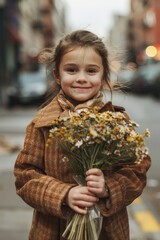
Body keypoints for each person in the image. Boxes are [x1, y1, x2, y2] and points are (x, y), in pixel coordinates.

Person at [14, 30, 151, 240]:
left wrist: (108, 187)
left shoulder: (118, 121)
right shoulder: (41, 123)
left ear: (104, 76)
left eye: (91, 71)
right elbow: (25, 177)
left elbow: (137, 172)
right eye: (71, 70)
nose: (81, 78)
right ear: (57, 76)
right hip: (52, 232)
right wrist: (64, 194)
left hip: (107, 231)